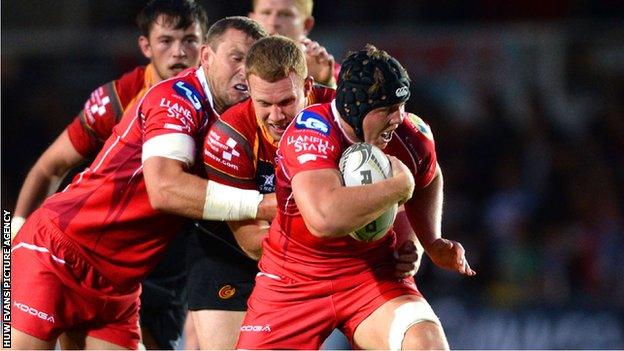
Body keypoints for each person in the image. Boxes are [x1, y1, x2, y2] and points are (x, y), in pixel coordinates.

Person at [10, 16, 269, 350]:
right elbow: (163, 190)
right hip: (55, 255)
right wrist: (9, 242)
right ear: (206, 56)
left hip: (119, 285)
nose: (245, 70)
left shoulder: (244, 118)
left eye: (253, 62)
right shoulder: (172, 98)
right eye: (237, 58)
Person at [236, 45, 476, 350]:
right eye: (387, 108)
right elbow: (324, 219)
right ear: (354, 107)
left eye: (401, 105)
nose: (398, 117)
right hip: (295, 280)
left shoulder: (411, 133)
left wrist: (429, 240)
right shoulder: (310, 131)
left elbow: (429, 174)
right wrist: (398, 186)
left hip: (371, 273)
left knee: (426, 344)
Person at [186, 35, 335, 349]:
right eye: (264, 104)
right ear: (249, 92)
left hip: (312, 261)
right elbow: (253, 243)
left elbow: (415, 158)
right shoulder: (228, 138)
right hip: (230, 257)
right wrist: (320, 214)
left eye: (286, 102)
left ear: (307, 87)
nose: (276, 116)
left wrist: (413, 240)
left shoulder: (338, 114)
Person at [249, 0, 338, 87]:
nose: (273, 22)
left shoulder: (340, 74)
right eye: (266, 13)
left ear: (306, 24)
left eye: (285, 14)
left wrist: (323, 84)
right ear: (251, 20)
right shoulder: (237, 69)